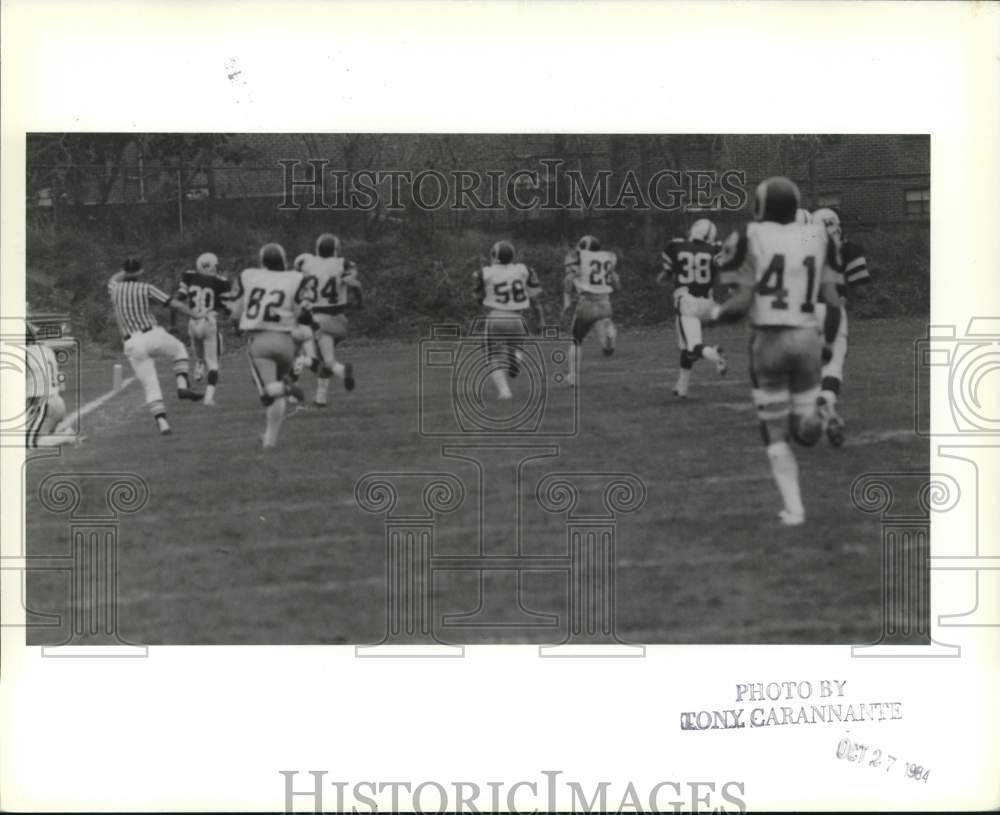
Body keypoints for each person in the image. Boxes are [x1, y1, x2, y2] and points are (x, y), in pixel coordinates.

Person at [712, 177, 842, 526]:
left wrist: (712, 316)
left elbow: (740, 303)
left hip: (768, 340)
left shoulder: (749, 236)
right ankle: (820, 411)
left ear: (761, 206)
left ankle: (795, 510)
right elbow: (833, 304)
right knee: (806, 432)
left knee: (775, 432)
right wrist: (828, 342)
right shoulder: (816, 236)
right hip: (807, 338)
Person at [227, 243, 317, 448]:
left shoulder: (249, 276)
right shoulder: (295, 278)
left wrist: (236, 325)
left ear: (262, 262)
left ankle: (284, 386)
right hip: (287, 342)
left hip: (260, 341)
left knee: (269, 392)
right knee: (276, 393)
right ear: (284, 260)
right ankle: (270, 439)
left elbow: (235, 311)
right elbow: (305, 313)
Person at [107, 256, 204, 435]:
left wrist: (127, 271)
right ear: (140, 272)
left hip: (131, 342)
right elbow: (173, 303)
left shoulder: (114, 288)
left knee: (150, 385)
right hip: (151, 333)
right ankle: (182, 386)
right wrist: (195, 315)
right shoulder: (146, 288)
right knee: (180, 350)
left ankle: (162, 423)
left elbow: (113, 279)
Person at [810, 207, 871, 446]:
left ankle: (817, 407)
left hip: (804, 311)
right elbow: (861, 288)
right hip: (833, 308)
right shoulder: (848, 247)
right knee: (833, 365)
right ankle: (826, 399)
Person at [658, 218, 728, 397]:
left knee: (693, 345)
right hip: (708, 304)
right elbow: (726, 268)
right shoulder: (715, 249)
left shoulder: (676, 245)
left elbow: (666, 274)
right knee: (686, 348)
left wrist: (663, 277)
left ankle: (713, 354)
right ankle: (682, 387)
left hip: (687, 303)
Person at [474, 240, 544, 399]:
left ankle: (504, 391)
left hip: (496, 317)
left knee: (493, 357)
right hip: (517, 318)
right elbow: (536, 301)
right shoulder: (524, 270)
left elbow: (477, 297)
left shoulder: (485, 272)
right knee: (516, 347)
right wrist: (540, 320)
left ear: (494, 255)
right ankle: (516, 358)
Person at [299, 234, 360, 405]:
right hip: (340, 319)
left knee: (324, 361)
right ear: (335, 249)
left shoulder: (309, 264)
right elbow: (353, 277)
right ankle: (320, 398)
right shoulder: (342, 263)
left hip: (320, 319)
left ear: (318, 248)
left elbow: (299, 284)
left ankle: (342, 371)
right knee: (326, 360)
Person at [174, 252, 232, 406]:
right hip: (209, 321)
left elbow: (179, 296)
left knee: (200, 356)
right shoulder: (220, 282)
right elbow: (227, 308)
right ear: (212, 265)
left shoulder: (189, 276)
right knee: (213, 364)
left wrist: (173, 308)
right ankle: (208, 398)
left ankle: (199, 363)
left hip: (193, 321)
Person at [561, 235, 620, 386]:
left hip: (586, 302)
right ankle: (610, 337)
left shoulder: (580, 257)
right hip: (605, 302)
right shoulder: (609, 257)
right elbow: (616, 282)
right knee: (605, 339)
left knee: (576, 340)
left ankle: (573, 377)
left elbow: (568, 280)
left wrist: (567, 300)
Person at [24, 321, 76, 448]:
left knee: (30, 442)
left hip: (42, 404)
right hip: (56, 401)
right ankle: (61, 430)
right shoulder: (46, 350)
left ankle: (67, 437)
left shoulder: (25, 353)